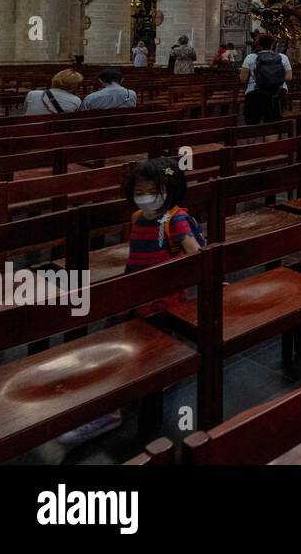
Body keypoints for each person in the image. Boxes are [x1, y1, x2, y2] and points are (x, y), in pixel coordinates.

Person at [57, 157, 204, 446]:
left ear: (170, 190)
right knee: (123, 343)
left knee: (136, 345)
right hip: (133, 293)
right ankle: (141, 384)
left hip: (162, 296)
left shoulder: (176, 220)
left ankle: (111, 409)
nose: (145, 198)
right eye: (139, 192)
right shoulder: (138, 218)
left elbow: (196, 255)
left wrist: (208, 280)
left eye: (152, 192)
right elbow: (135, 258)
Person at [239, 33, 293, 125]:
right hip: (277, 93)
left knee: (252, 123)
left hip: (254, 92)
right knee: (272, 125)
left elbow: (243, 79)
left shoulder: (250, 57)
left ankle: (254, 138)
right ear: (273, 44)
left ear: (258, 44)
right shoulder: (282, 57)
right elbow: (289, 77)